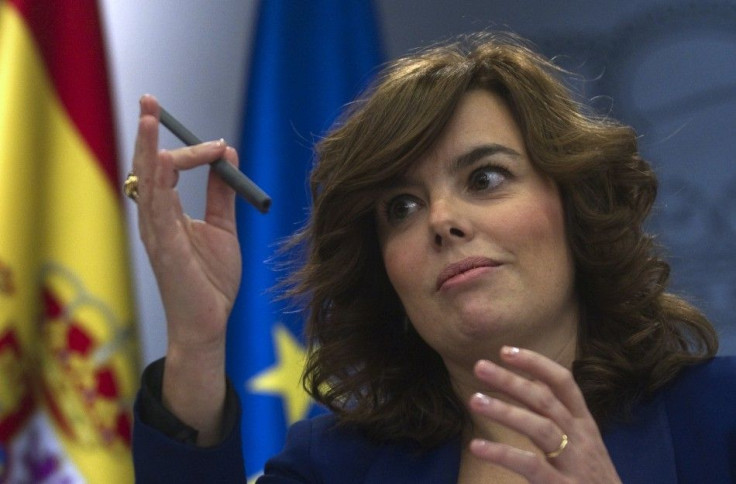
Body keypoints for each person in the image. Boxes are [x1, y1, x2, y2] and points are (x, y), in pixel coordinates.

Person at [129, 32, 736, 483]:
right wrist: (197, 339)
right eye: (401, 208)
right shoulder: (336, 467)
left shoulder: (718, 420)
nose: (442, 221)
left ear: (575, 206)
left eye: (486, 178)